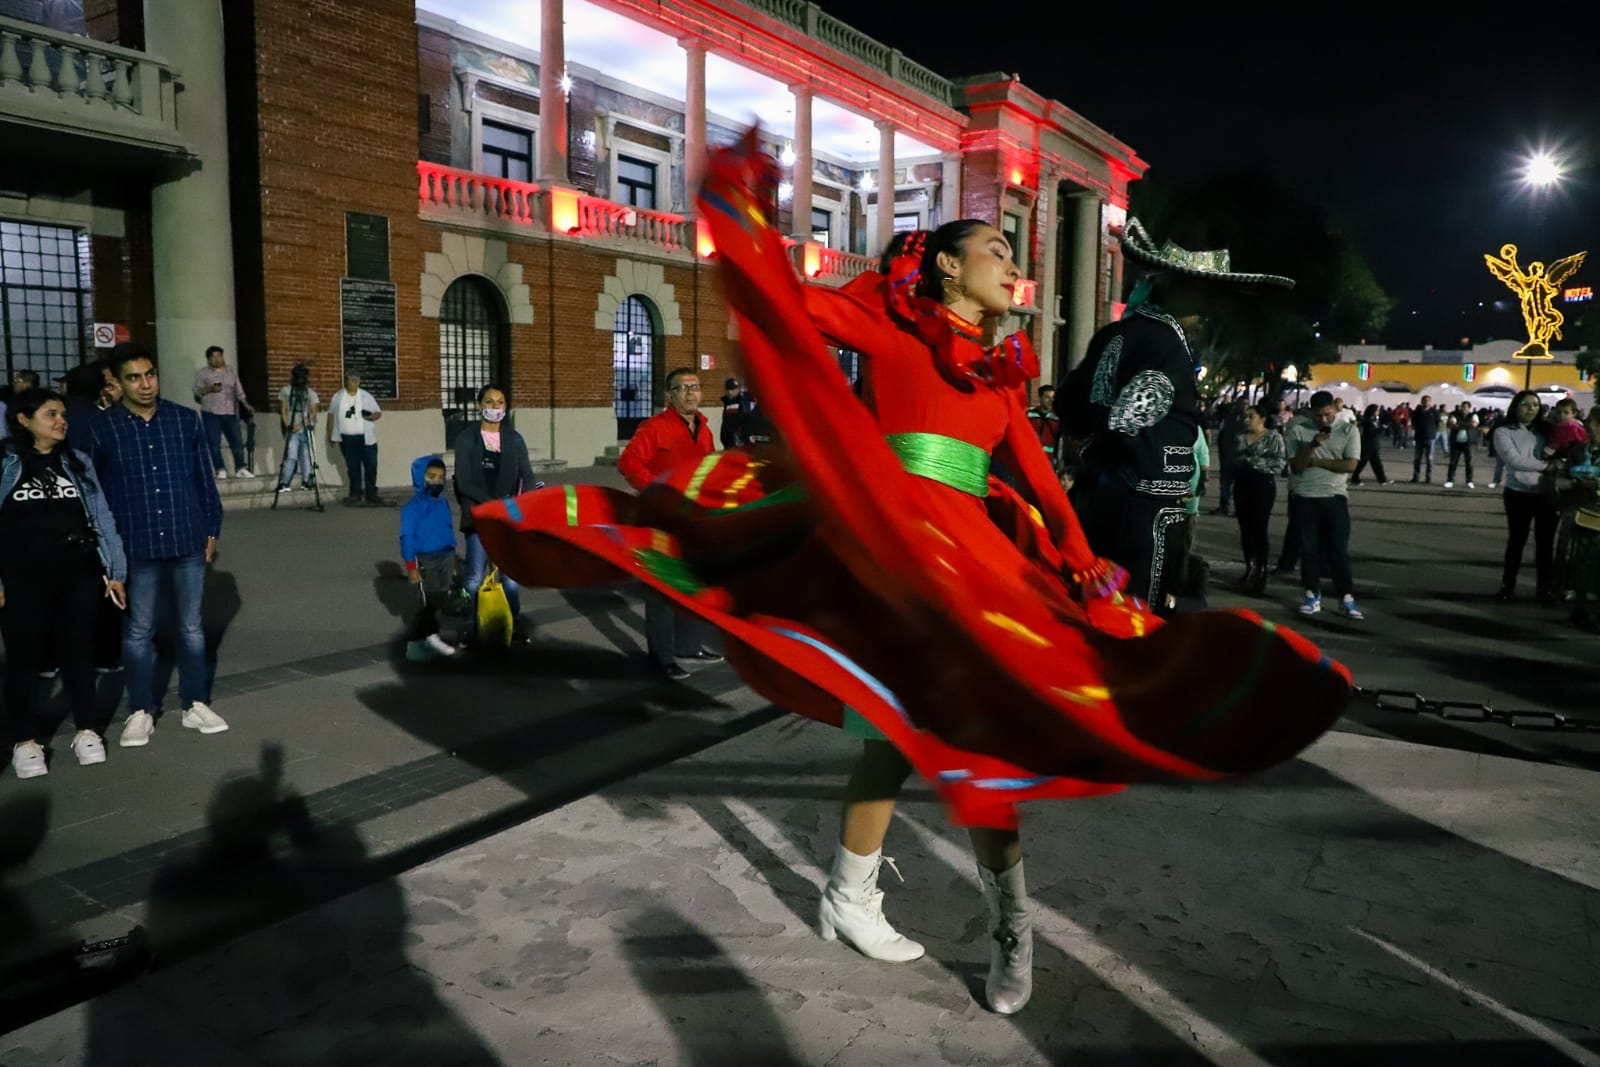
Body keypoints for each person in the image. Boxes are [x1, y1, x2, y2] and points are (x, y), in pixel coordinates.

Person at [467, 135, 1351, 1017]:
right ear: (942, 273)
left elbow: (1042, 481)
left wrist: (1083, 564)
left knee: (963, 731)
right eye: (995, 250)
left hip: (979, 562)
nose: (1012, 262)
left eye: (1012, 252)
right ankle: (862, 899)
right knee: (898, 730)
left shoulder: (1002, 379)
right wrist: (748, 220)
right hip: (890, 545)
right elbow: (796, 305)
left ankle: (997, 921)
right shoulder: (891, 334)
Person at [1060, 218, 1295, 615]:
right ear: (1179, 289)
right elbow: (1132, 415)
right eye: (1207, 293)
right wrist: (1156, 474)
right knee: (1136, 612)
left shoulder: (1118, 332)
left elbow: (1071, 402)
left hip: (1097, 494)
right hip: (1142, 507)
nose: (1212, 306)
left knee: (1090, 604)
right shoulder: (1166, 343)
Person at [89, 344, 229, 746]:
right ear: (115, 382)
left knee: (190, 627)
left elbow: (204, 479)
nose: (145, 383)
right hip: (136, 544)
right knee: (138, 631)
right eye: (133, 377)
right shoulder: (103, 428)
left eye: (150, 374)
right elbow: (95, 494)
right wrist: (107, 554)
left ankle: (195, 703)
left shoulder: (185, 420)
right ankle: (141, 709)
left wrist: (211, 530)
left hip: (187, 538)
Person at [2, 389, 128, 778]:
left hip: (79, 576)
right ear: (24, 420)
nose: (61, 421)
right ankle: (25, 741)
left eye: (63, 414)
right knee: (23, 660)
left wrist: (117, 572)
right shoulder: (5, 464)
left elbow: (102, 517)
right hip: (22, 580)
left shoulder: (77, 462)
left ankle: (87, 731)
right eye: (50, 414)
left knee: (78, 654)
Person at [617, 368, 723, 680]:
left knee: (689, 585)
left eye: (696, 386)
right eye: (683, 388)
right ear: (670, 395)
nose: (691, 393)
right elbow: (629, 462)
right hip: (660, 519)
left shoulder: (703, 427)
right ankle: (662, 658)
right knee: (661, 591)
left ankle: (688, 646)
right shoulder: (655, 427)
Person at [452, 385, 539, 644]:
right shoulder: (466, 438)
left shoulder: (514, 439)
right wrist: (492, 505)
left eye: (500, 402)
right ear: (480, 405)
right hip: (479, 515)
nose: (495, 407)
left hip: (507, 518)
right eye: (489, 402)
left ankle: (514, 624)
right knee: (475, 577)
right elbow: (464, 482)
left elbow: (528, 477)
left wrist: (527, 505)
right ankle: (468, 626)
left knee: (510, 578)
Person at [1285, 391, 1362, 618]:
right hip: (1304, 497)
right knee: (1309, 551)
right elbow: (1297, 466)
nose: (1324, 420)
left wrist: (1317, 461)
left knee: (1338, 551)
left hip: (1335, 496)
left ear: (1336, 409)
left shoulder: (1348, 430)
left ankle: (1346, 598)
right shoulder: (1298, 429)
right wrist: (1311, 445)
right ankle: (1311, 594)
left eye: (1327, 414)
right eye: (1318, 416)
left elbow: (1350, 465)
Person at [1493, 389, 1559, 602]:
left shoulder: (1547, 431)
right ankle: (1507, 585)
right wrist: (1547, 466)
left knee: (1545, 544)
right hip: (1518, 493)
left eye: (1536, 404)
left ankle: (1545, 588)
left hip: (1546, 494)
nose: (1531, 408)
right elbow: (1514, 460)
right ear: (1515, 406)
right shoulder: (1503, 431)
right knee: (1516, 541)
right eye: (1526, 404)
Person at [400, 455, 459, 661]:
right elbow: (406, 538)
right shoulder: (412, 508)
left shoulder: (442, 503)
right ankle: (419, 642)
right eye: (431, 476)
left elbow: (448, 529)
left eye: (441, 477)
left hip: (445, 555)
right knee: (429, 602)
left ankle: (429, 639)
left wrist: (452, 559)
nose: (437, 481)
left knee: (441, 599)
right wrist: (411, 567)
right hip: (426, 559)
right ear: (420, 477)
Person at [1231, 403, 1286, 595]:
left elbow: (1279, 463)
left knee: (1259, 528)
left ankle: (1261, 571)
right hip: (1242, 484)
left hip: (1262, 486)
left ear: (1262, 418)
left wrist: (1252, 461)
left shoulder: (1273, 437)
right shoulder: (1240, 438)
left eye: (1251, 416)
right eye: (1245, 417)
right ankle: (1249, 568)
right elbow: (1234, 459)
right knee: (1245, 528)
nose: (1246, 420)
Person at [193, 345, 254, 479]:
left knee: (237, 441)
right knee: (214, 442)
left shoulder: (230, 371)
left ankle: (240, 468)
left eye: (219, 356)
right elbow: (197, 393)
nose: (217, 359)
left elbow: (239, 390)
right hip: (211, 413)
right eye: (213, 357)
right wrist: (210, 389)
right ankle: (220, 469)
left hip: (230, 412)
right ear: (208, 359)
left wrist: (246, 404)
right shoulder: (203, 373)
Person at [327, 371, 384, 506]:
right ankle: (355, 494)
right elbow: (331, 415)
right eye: (350, 380)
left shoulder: (366, 396)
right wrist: (329, 434)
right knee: (353, 467)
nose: (353, 382)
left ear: (359, 381)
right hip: (347, 438)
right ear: (345, 381)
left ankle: (372, 494)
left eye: (356, 380)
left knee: (371, 465)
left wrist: (371, 417)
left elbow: (378, 413)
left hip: (366, 438)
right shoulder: (338, 396)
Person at [276, 363, 319, 492]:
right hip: (292, 429)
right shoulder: (286, 390)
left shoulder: (311, 393)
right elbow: (283, 410)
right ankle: (284, 482)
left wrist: (300, 425)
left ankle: (306, 481)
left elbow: (313, 412)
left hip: (305, 429)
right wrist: (288, 424)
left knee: (306, 456)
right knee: (291, 456)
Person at [1212, 399, 1244, 515]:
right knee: (1225, 483)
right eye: (1242, 404)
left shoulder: (1249, 421)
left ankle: (1238, 508)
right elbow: (1221, 436)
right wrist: (1221, 452)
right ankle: (1224, 505)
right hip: (1227, 456)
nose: (1243, 406)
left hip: (1241, 458)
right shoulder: (1228, 420)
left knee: (1239, 485)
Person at [1350, 403, 1389, 486]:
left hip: (1373, 446)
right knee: (1362, 463)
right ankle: (1355, 477)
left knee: (1377, 463)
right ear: (1373, 411)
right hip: (1367, 446)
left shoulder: (1373, 420)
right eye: (1377, 410)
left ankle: (1382, 480)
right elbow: (1371, 433)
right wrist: (1382, 429)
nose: (1378, 412)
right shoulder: (1368, 420)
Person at [1025, 384, 1062, 468]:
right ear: (1040, 397)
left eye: (1053, 398)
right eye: (1047, 397)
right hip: (1031, 458)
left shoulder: (1057, 418)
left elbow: (1059, 441)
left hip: (1049, 460)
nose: (1051, 401)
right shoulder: (1029, 415)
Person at [1443, 400, 1478, 488]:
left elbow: (1474, 425)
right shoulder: (1454, 415)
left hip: (1469, 443)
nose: (1464, 409)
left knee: (1469, 463)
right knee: (1453, 462)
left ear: (1469, 408)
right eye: (1462, 407)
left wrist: (1460, 424)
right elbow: (1453, 425)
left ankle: (1469, 481)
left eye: (1466, 407)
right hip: (1456, 442)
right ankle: (1450, 480)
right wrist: (1468, 424)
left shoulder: (1473, 415)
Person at [1410, 395, 1439, 483]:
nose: (1426, 402)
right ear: (1421, 402)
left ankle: (1428, 477)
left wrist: (1432, 431)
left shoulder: (1434, 412)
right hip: (1419, 437)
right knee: (1417, 458)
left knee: (1429, 459)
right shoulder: (1417, 412)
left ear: (1430, 402)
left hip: (1430, 438)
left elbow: (1437, 422)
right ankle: (1416, 476)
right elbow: (1413, 422)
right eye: (1424, 400)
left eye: (1428, 401)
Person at [719, 377, 750, 450]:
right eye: (728, 389)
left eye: (733, 389)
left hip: (738, 442)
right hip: (727, 441)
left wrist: (741, 437)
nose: (730, 392)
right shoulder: (727, 402)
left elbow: (745, 421)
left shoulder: (742, 402)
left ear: (737, 389)